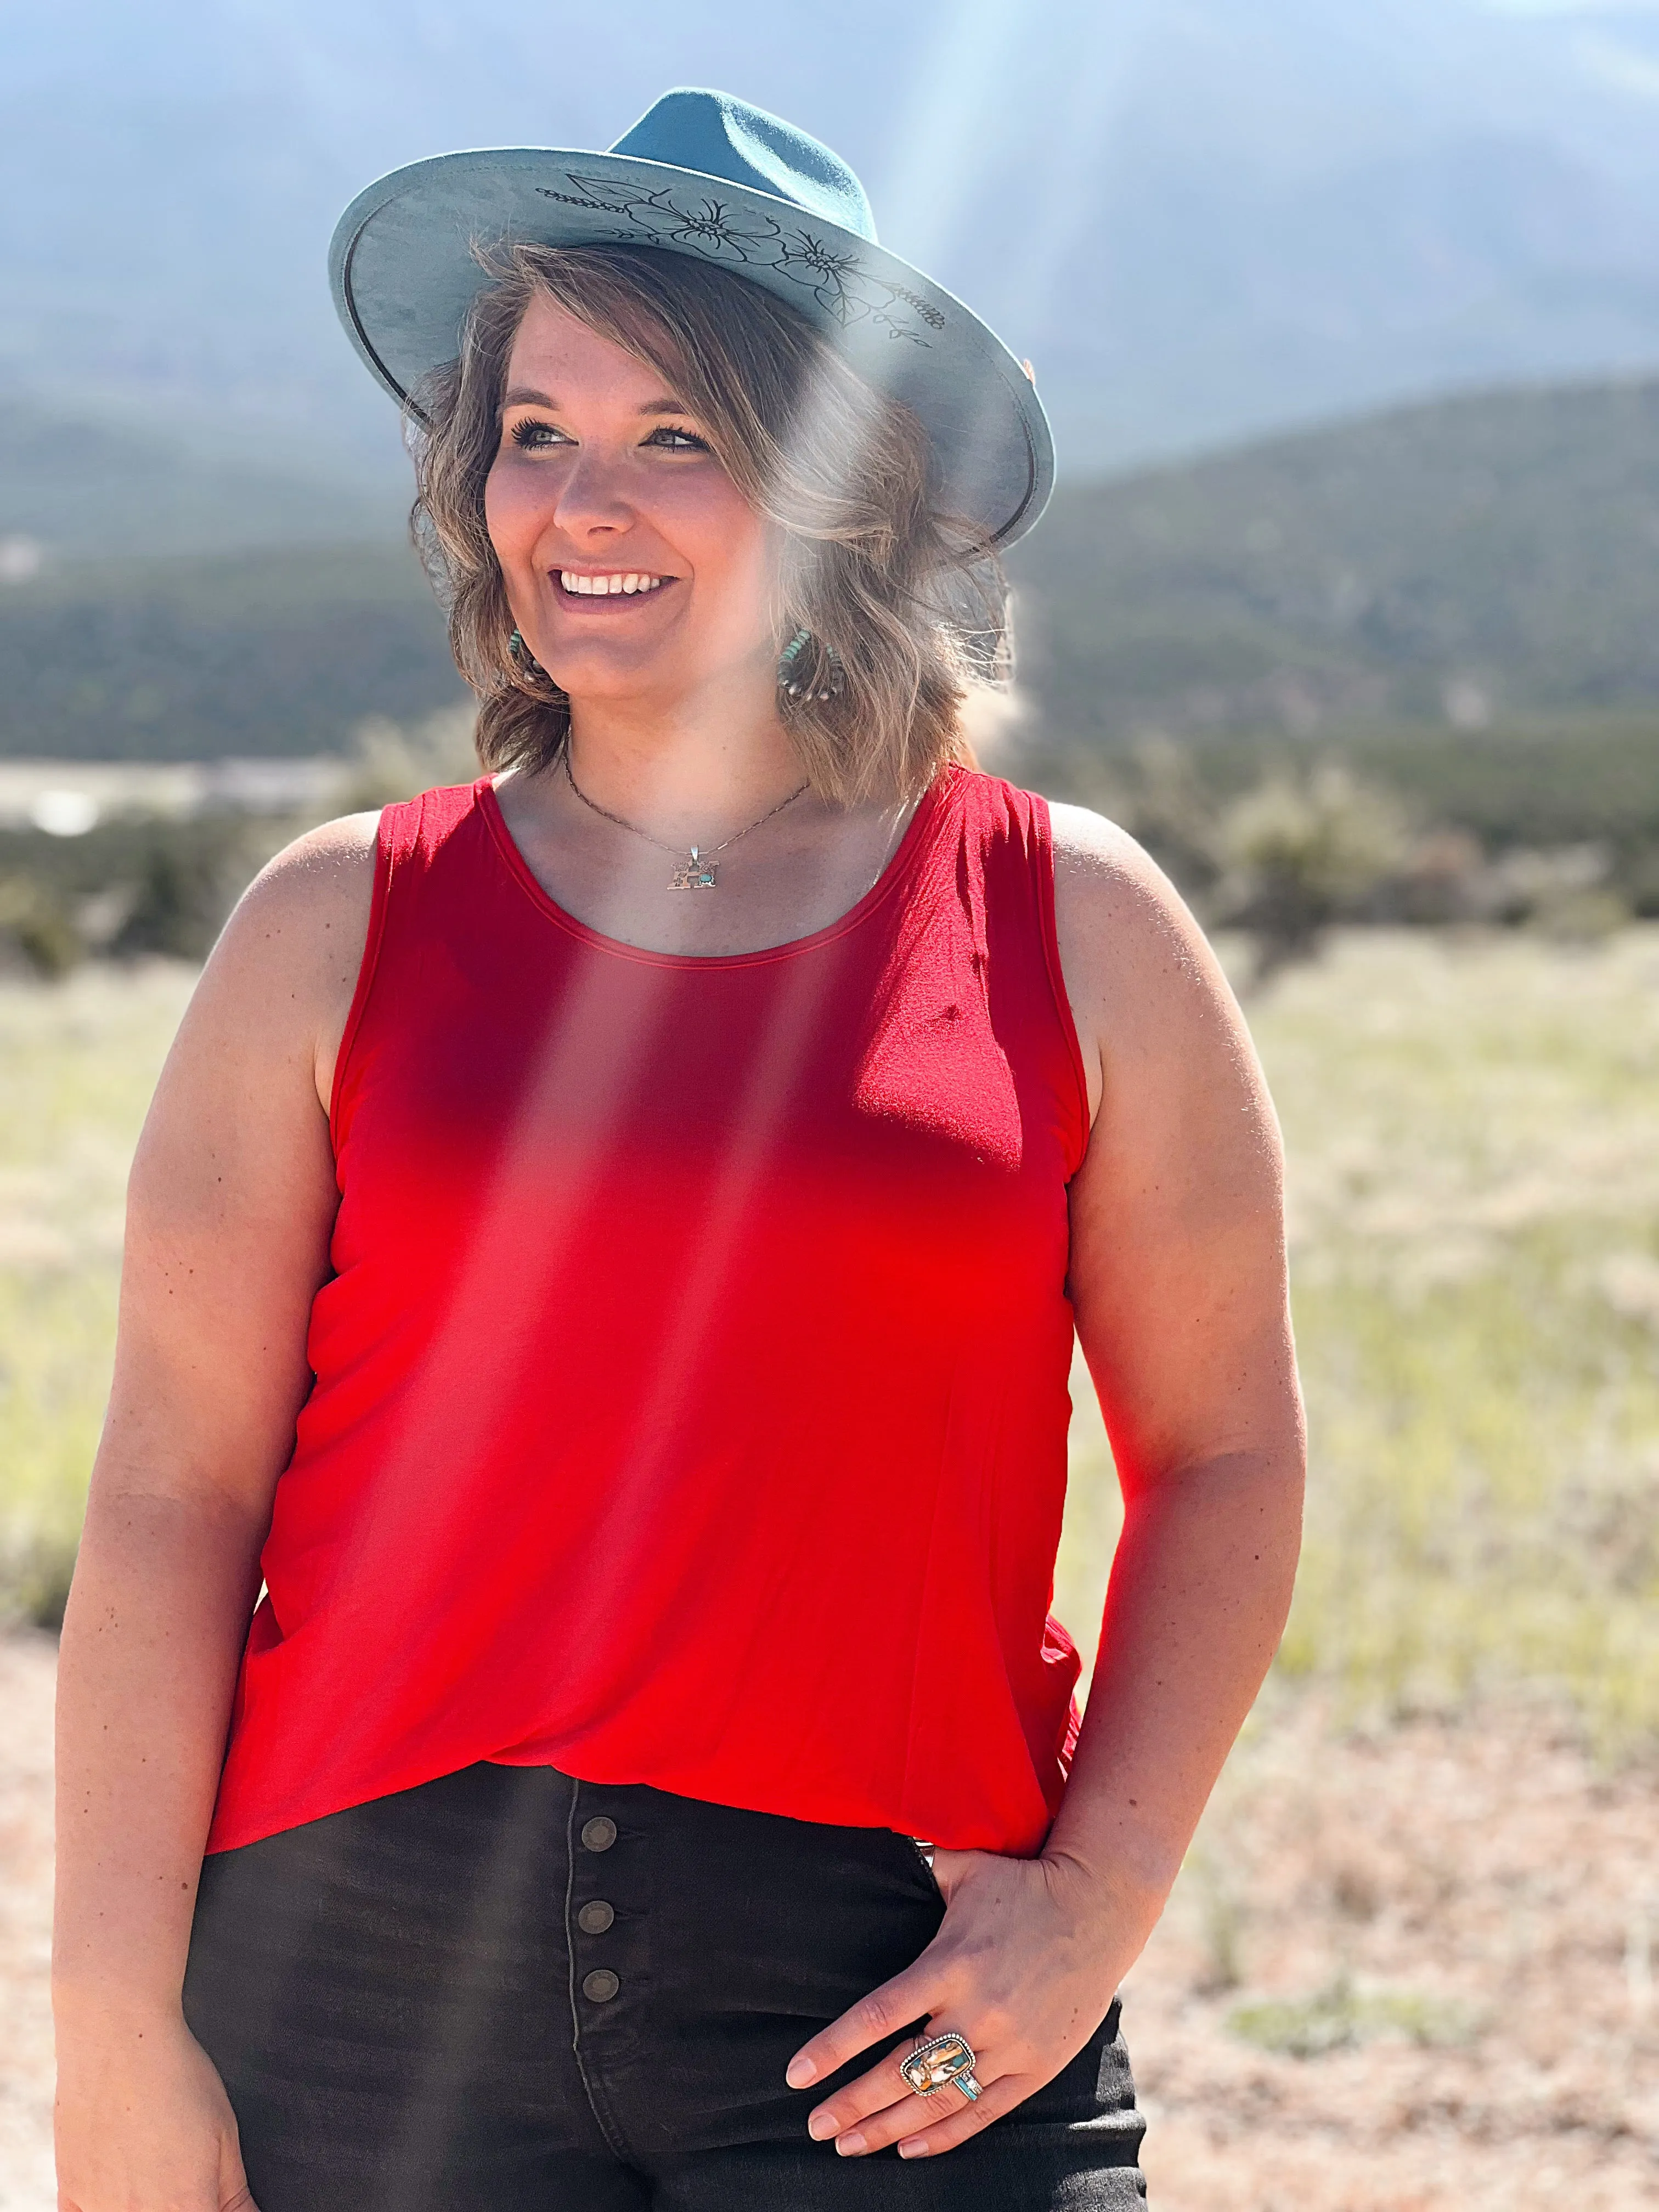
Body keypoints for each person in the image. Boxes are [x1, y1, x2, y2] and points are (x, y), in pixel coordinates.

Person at [52, 90, 1304, 2212]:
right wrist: (113, 2043)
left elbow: (1228, 1459)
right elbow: (177, 1495)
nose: (580, 502)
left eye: (678, 437)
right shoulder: (332, 926)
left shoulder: (1068, 923)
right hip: (356, 1997)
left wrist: (1094, 1900)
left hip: (884, 2002)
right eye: (533, 430)